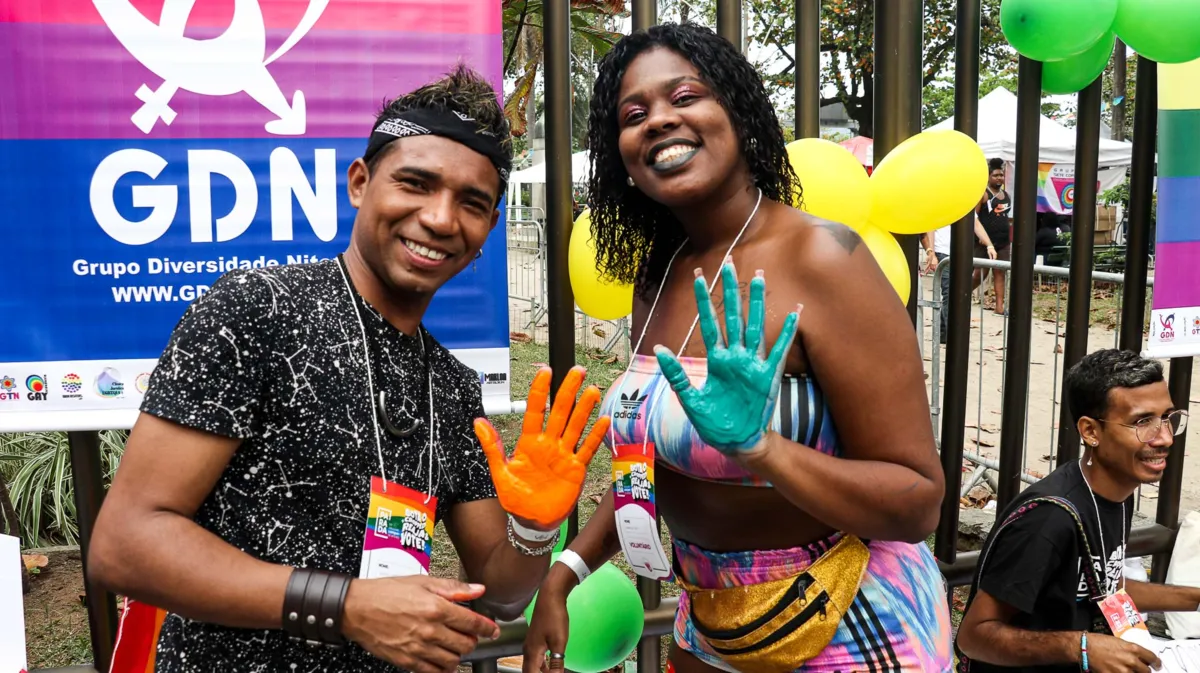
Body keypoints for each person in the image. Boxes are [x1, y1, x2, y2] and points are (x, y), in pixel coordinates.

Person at [88, 65, 610, 672]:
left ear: (490, 227)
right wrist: (346, 606)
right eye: (416, 183)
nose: (441, 219)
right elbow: (125, 546)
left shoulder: (452, 385)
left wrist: (535, 527)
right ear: (361, 182)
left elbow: (502, 593)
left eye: (472, 203)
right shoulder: (256, 312)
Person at [523, 23, 953, 673]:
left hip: (852, 619)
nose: (660, 120)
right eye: (634, 114)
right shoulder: (658, 277)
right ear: (623, 160)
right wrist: (568, 568)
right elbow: (655, 466)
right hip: (713, 621)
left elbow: (917, 500)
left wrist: (763, 447)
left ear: (739, 116)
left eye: (686, 95)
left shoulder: (824, 259)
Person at [956, 349, 1193, 673]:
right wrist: (1081, 646)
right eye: (1142, 422)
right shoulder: (1048, 521)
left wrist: (1193, 598)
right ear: (1091, 431)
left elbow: (1101, 581)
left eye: (1167, 417)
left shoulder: (1117, 491)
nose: (1164, 437)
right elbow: (973, 636)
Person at [921, 214, 996, 344]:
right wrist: (931, 252)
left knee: (957, 293)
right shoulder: (941, 202)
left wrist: (989, 245)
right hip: (943, 251)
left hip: (962, 252)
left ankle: (944, 333)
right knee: (949, 293)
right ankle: (952, 333)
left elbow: (976, 223)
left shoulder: (966, 202)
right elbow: (931, 226)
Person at [972, 158, 1011, 315]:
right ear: (988, 177)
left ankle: (1000, 307)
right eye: (995, 175)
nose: (999, 178)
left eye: (1001, 175)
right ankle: (961, 295)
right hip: (984, 242)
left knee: (1000, 272)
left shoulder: (1006, 195)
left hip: (1003, 241)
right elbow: (974, 217)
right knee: (980, 273)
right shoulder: (983, 194)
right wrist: (982, 237)